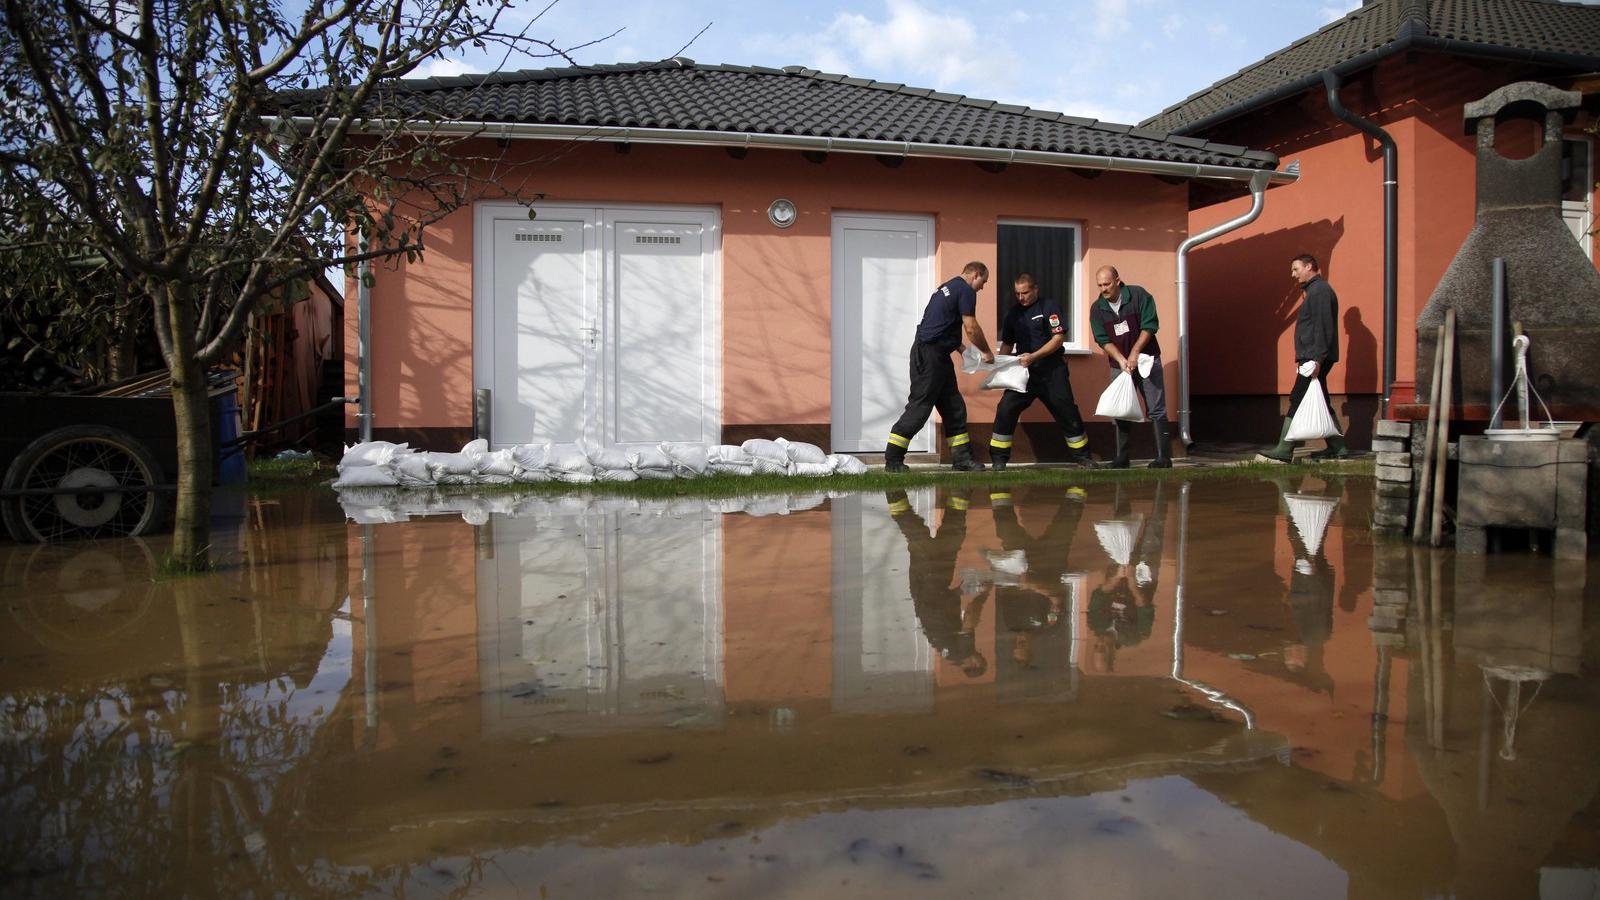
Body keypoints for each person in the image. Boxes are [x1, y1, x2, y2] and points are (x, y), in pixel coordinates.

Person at [884, 262, 995, 473]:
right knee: (921, 406)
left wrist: (962, 350)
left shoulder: (948, 288)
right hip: (930, 357)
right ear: (976, 275)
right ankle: (893, 459)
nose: (982, 287)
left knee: (954, 408)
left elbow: (941, 325)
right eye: (984, 282)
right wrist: (987, 352)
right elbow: (971, 327)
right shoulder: (965, 290)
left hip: (936, 354)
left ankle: (962, 460)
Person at [986, 274, 1094, 471]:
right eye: (1017, 293)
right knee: (1006, 409)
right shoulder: (1013, 314)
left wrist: (1034, 356)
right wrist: (999, 367)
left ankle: (1083, 457)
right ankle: (998, 460)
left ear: (1036, 289)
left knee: (1066, 410)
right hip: (1024, 373)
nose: (1021, 297)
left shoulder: (1049, 308)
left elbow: (1058, 339)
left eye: (1025, 293)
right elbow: (1008, 344)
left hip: (1051, 370)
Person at [886, 489, 989, 677]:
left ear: (973, 664)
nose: (978, 653)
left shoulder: (962, 652)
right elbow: (938, 612)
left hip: (931, 580)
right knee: (930, 537)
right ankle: (896, 493)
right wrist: (959, 592)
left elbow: (970, 618)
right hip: (927, 585)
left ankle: (893, 490)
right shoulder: (948, 651)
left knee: (929, 536)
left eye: (979, 657)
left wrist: (985, 594)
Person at [1260, 254, 1348, 462]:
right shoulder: (1316, 291)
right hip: (1314, 356)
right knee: (1322, 400)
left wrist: (1316, 359)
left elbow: (1322, 326)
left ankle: (1284, 448)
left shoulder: (1319, 291)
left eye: (1296, 269)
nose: (1293, 274)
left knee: (1298, 397)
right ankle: (1338, 447)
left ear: (1309, 267)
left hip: (1314, 358)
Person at [1088, 266, 1170, 469]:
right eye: (1099, 285)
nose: (1103, 289)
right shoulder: (1097, 308)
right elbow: (1102, 339)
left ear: (1117, 281)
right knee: (1121, 409)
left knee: (1156, 408)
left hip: (1147, 360)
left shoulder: (1138, 295)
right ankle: (1122, 458)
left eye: (1107, 284)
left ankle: (1163, 458)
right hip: (1120, 365)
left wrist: (1134, 353)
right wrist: (1121, 359)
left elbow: (1150, 325)